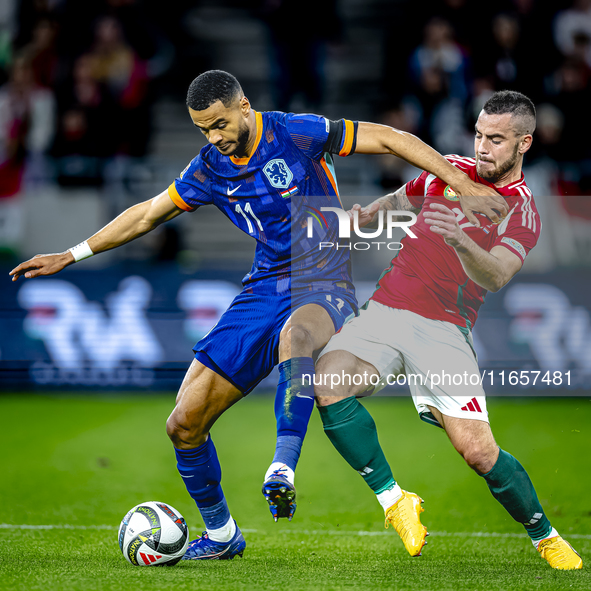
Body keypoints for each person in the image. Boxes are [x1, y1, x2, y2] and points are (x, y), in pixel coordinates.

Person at [9, 70, 505, 561]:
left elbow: (390, 138)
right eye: (203, 128)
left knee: (298, 336)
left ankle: (282, 468)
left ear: (243, 106)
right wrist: (72, 254)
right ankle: (222, 535)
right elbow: (147, 214)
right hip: (262, 289)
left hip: (323, 283)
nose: (214, 137)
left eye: (220, 124)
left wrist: (458, 181)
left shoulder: (295, 132)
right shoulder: (208, 168)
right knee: (183, 423)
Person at [314, 90, 583, 571]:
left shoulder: (521, 211)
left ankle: (545, 536)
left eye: (496, 140)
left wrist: (460, 240)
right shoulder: (449, 171)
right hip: (386, 310)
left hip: (445, 330)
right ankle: (396, 501)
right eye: (479, 135)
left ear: (524, 143)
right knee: (328, 383)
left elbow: (497, 275)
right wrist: (371, 214)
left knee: (479, 452)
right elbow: (404, 195)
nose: (482, 147)